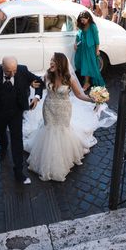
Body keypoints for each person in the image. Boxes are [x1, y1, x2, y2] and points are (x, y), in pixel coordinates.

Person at [26, 53, 98, 182]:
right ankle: (47, 158)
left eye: (53, 61)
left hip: (63, 110)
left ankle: (61, 158)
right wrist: (33, 87)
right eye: (51, 60)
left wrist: (93, 100)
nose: (50, 63)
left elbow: (79, 95)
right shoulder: (48, 75)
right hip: (48, 108)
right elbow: (37, 85)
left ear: (60, 63)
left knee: (61, 130)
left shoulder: (69, 79)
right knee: (49, 129)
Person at [0, 56, 43, 184]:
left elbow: (39, 81)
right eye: (9, 71)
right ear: (2, 66)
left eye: (14, 70)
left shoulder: (22, 70)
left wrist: (36, 97)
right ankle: (3, 147)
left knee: (17, 140)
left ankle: (18, 172)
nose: (12, 74)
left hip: (16, 112)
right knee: (1, 134)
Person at [74, 10, 105, 90]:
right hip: (82, 48)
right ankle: (86, 82)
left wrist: (97, 50)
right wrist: (75, 42)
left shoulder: (92, 26)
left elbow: (96, 39)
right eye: (81, 20)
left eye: (83, 20)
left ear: (88, 18)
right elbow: (78, 35)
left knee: (90, 65)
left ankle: (87, 83)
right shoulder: (82, 25)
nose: (82, 21)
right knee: (83, 64)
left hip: (90, 48)